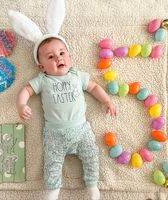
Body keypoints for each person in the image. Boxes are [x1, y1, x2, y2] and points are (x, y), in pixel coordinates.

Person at [16, 37, 116, 200]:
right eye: (50, 57)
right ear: (41, 67)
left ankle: (92, 186)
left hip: (81, 130)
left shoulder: (77, 75)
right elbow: (26, 90)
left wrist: (106, 101)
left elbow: (94, 87)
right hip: (55, 134)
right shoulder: (43, 80)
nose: (58, 58)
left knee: (91, 155)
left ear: (69, 57)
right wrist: (21, 105)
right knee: (52, 164)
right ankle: (53, 192)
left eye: (62, 53)